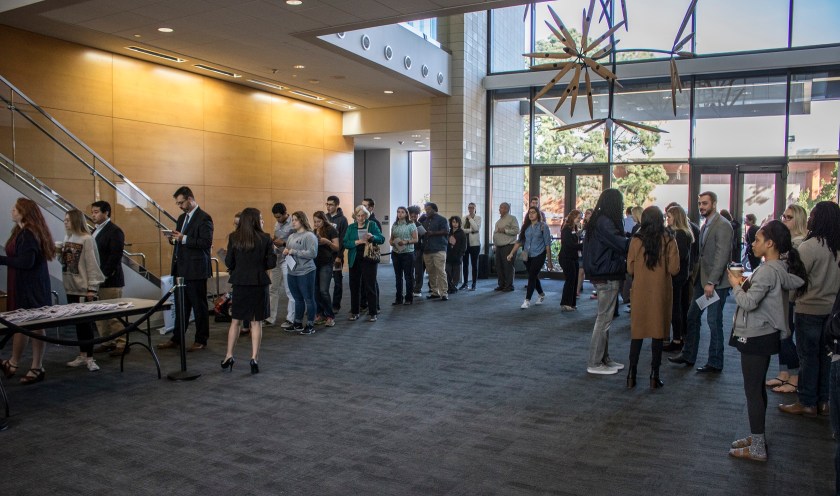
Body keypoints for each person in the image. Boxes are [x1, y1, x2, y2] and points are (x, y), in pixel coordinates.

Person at [727, 220, 806, 462]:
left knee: (752, 391)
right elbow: (795, 283)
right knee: (757, 389)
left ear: (770, 243)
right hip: (763, 333)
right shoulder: (778, 268)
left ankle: (758, 446)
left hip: (756, 335)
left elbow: (749, 303)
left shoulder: (769, 270)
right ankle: (757, 436)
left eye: (758, 240)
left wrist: (735, 286)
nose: (752, 243)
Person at [780, 201, 840, 417]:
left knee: (807, 357)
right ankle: (824, 401)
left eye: (813, 215)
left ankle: (806, 402)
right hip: (832, 311)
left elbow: (797, 280)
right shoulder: (836, 246)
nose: (810, 219)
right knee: (826, 357)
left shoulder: (809, 246)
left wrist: (791, 299)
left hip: (808, 309)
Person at [669, 191, 733, 373]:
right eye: (700, 204)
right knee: (692, 316)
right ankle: (688, 354)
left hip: (715, 285)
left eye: (705, 203)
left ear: (714, 204)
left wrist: (712, 282)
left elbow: (721, 257)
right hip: (702, 281)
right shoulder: (706, 225)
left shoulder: (723, 225)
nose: (702, 207)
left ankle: (715, 361)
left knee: (714, 322)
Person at [0, 198, 55, 385]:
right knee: (24, 324)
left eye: (15, 209)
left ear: (24, 212)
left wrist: (1, 260)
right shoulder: (23, 231)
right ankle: (17, 363)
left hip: (30, 286)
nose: (12, 211)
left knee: (33, 324)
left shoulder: (29, 234)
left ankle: (35, 366)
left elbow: (26, 262)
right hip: (27, 284)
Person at [625, 206, 680, 389]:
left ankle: (631, 375)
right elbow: (674, 269)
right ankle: (654, 376)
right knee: (658, 334)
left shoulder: (636, 240)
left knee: (637, 333)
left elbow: (630, 269)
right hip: (660, 292)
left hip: (640, 290)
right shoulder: (669, 240)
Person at [158, 186, 214, 352]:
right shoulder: (182, 218)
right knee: (181, 306)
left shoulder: (204, 218)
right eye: (177, 203)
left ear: (190, 199)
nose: (180, 206)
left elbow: (205, 243)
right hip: (181, 268)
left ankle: (201, 339)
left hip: (196, 269)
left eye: (181, 202)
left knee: (199, 306)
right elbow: (181, 241)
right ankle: (177, 338)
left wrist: (184, 238)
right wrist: (173, 238)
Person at [221, 208, 276, 374]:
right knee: (256, 322)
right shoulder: (266, 238)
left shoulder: (234, 237)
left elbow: (229, 262)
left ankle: (229, 355)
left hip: (240, 282)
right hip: (258, 282)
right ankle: (254, 358)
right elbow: (271, 264)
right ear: (254, 220)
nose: (262, 220)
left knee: (235, 321)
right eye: (260, 217)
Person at [582, 189, 629, 375]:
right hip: (607, 273)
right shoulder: (605, 222)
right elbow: (621, 244)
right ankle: (595, 362)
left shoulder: (599, 220)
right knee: (603, 319)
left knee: (605, 319)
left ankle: (603, 358)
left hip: (603, 272)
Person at [767, 204, 809, 393]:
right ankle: (785, 373)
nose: (784, 220)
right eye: (783, 216)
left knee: (786, 336)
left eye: (789, 217)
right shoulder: (789, 242)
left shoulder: (800, 244)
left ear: (798, 220)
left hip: (793, 297)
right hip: (784, 296)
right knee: (782, 335)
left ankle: (794, 377)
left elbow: (796, 275)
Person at [61, 208, 106, 372]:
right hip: (70, 287)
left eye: (68, 219)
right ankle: (82, 354)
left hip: (83, 289)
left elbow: (92, 265)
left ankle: (90, 357)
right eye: (64, 219)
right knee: (78, 324)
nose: (65, 222)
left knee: (87, 325)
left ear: (75, 220)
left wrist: (92, 289)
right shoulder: (68, 237)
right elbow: (66, 262)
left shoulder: (87, 239)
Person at [89, 200, 127, 357]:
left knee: (114, 314)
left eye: (96, 212)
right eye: (92, 212)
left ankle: (121, 342)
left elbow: (115, 257)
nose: (93, 215)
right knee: (100, 315)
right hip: (96, 279)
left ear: (106, 213)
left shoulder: (114, 231)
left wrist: (103, 275)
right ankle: (107, 341)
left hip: (109, 279)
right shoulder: (94, 230)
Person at [344, 205, 384, 321]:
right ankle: (355, 312)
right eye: (358, 216)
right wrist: (357, 242)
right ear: (355, 216)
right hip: (355, 258)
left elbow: (381, 239)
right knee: (354, 286)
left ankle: (373, 312)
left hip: (369, 258)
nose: (361, 218)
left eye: (363, 215)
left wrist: (372, 237)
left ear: (366, 215)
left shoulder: (371, 225)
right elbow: (345, 242)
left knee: (370, 285)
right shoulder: (351, 227)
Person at [508, 206, 553, 309]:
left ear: (538, 214)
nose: (531, 214)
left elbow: (547, 244)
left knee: (532, 276)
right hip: (527, 255)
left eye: (533, 212)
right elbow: (519, 242)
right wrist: (511, 253)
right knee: (533, 275)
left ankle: (527, 300)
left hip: (539, 254)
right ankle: (541, 294)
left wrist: (549, 261)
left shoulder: (543, 226)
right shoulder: (525, 227)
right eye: (529, 213)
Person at [663, 205, 694, 353]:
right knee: (678, 307)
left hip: (677, 276)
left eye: (669, 217)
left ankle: (677, 339)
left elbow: (678, 256)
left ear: (676, 217)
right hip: (681, 275)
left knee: (675, 308)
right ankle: (678, 337)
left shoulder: (680, 234)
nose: (666, 219)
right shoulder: (684, 233)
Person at [284, 211, 319, 334]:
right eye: (292, 220)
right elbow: (289, 250)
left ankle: (310, 324)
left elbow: (313, 253)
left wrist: (295, 252)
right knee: (297, 299)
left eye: (295, 220)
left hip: (306, 271)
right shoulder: (291, 236)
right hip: (292, 271)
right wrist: (285, 252)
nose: (293, 222)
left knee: (308, 298)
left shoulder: (309, 236)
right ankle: (297, 323)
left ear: (302, 220)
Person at [267, 202, 296, 330]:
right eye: (275, 217)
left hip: (288, 259)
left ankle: (291, 318)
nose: (278, 220)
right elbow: (277, 237)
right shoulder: (276, 223)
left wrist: (283, 243)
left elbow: (298, 241)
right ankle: (270, 318)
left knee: (290, 290)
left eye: (279, 217)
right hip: (276, 258)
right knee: (272, 289)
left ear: (285, 213)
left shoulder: (293, 223)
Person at [313, 211, 339, 326]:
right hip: (314, 263)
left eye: (319, 221)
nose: (317, 224)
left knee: (324, 290)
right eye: (315, 221)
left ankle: (330, 316)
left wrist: (327, 241)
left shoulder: (330, 230)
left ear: (324, 220)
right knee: (315, 291)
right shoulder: (313, 231)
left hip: (326, 263)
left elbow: (337, 247)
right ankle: (320, 314)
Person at [389, 206, 417, 305]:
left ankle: (409, 298)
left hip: (408, 253)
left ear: (406, 214)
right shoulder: (395, 225)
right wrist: (392, 242)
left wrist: (406, 242)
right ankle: (398, 298)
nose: (399, 214)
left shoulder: (411, 225)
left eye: (402, 212)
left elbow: (415, 239)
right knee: (398, 276)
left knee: (408, 276)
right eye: (398, 212)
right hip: (396, 253)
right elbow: (391, 239)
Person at [421, 202, 450, 301]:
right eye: (425, 209)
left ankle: (444, 293)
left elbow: (446, 231)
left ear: (434, 209)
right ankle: (434, 292)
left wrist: (433, 233)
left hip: (439, 249)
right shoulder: (424, 220)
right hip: (427, 250)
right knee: (431, 272)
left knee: (441, 271)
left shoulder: (442, 219)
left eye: (428, 209)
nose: (427, 211)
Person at [325, 196, 348, 314]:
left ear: (337, 205)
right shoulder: (324, 218)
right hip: (324, 256)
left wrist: (339, 256)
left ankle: (336, 305)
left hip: (336, 256)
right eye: (327, 204)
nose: (328, 207)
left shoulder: (342, 220)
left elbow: (343, 239)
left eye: (331, 204)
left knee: (337, 281)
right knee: (324, 282)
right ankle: (324, 305)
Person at [558, 210, 582, 311]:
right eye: (578, 218)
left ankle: (572, 303)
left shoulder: (574, 228)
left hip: (573, 257)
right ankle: (565, 303)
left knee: (574, 280)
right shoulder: (566, 229)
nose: (580, 220)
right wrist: (583, 245)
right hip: (566, 258)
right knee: (570, 280)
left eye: (580, 218)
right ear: (572, 217)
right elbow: (569, 245)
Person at [361, 198, 381, 312]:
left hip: (370, 254)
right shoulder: (359, 221)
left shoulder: (375, 222)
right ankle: (363, 303)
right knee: (363, 281)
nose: (363, 208)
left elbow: (380, 238)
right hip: (360, 254)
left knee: (372, 281)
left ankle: (375, 305)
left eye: (365, 206)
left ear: (371, 208)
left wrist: (371, 237)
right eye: (362, 205)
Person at [493, 202, 519, 292]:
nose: (500, 209)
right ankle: (501, 284)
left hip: (508, 246)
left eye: (502, 208)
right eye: (500, 208)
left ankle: (509, 286)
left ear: (507, 209)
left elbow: (516, 230)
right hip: (499, 247)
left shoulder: (512, 218)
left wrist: (505, 230)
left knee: (507, 266)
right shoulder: (499, 221)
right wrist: (495, 244)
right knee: (499, 266)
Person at [460, 202, 481, 291]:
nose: (470, 209)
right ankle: (465, 283)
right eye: (469, 207)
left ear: (475, 208)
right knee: (465, 264)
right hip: (465, 244)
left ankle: (474, 283)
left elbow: (476, 228)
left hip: (474, 244)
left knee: (474, 264)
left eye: (472, 207)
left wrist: (470, 219)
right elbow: (461, 230)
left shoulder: (478, 218)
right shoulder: (464, 218)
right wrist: (470, 230)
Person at [408, 206, 426, 297]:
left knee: (419, 271)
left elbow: (424, 236)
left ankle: (418, 289)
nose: (413, 218)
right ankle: (411, 287)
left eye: (415, 216)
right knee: (409, 271)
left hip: (418, 250)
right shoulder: (405, 224)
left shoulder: (419, 225)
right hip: (407, 250)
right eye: (412, 216)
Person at [446, 216, 467, 294]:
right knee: (447, 271)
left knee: (456, 273)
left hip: (457, 255)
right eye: (453, 222)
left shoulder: (462, 233)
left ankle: (454, 286)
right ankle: (450, 287)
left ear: (459, 223)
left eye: (456, 222)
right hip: (448, 255)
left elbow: (464, 246)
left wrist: (460, 254)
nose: (455, 224)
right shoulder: (449, 232)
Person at [577, 208, 593, 297]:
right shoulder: (584, 225)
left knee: (586, 271)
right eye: (586, 213)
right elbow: (579, 235)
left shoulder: (594, 226)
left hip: (590, 251)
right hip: (582, 251)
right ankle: (577, 291)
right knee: (581, 271)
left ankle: (598, 291)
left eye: (589, 213)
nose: (586, 214)